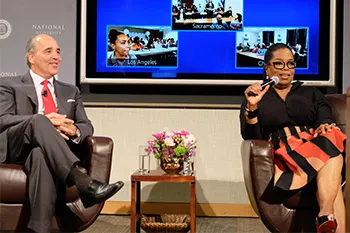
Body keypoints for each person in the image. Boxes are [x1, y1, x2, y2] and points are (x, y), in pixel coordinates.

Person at [0, 34, 125, 233]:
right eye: (48, 51)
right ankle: (84, 183)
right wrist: (44, 120)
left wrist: (74, 130)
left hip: (52, 152)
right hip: (18, 148)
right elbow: (2, 120)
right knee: (40, 119)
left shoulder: (70, 91)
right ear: (31, 57)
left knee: (40, 155)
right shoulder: (9, 84)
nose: (56, 56)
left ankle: (39, 229)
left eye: (58, 51)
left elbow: (86, 125)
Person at [240, 43, 346, 233]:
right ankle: (325, 214)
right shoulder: (257, 96)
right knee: (333, 162)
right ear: (267, 68)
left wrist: (324, 124)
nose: (286, 70)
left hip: (315, 144)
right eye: (279, 64)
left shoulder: (310, 92)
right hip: (286, 150)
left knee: (332, 138)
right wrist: (253, 108)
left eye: (290, 64)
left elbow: (324, 114)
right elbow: (252, 138)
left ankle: (325, 216)